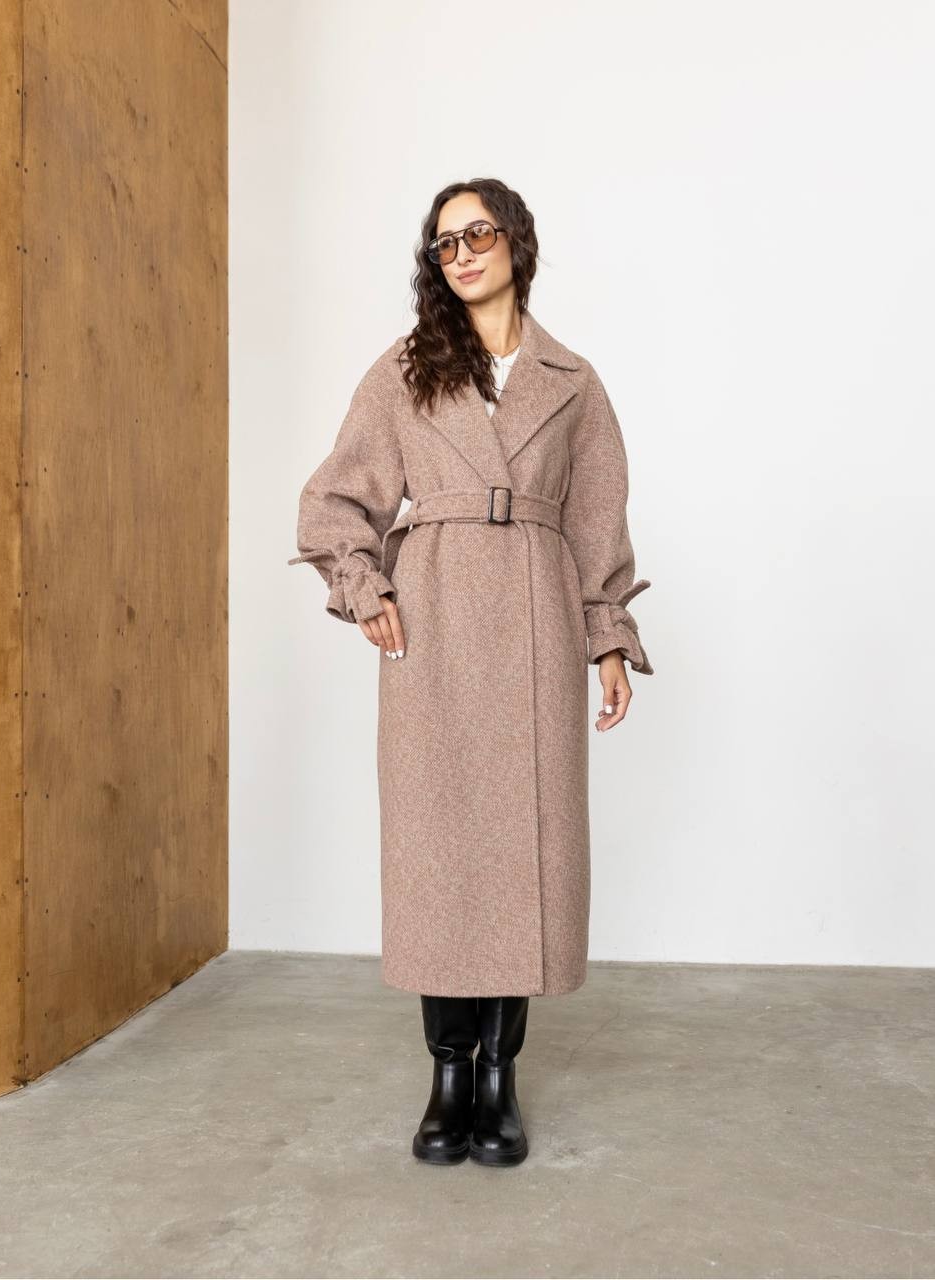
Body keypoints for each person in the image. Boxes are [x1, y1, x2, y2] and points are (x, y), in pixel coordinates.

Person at [288, 177, 654, 1167]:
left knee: (525, 847)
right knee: (439, 846)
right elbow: (334, 501)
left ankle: (500, 1076)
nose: (462, 255)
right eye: (444, 244)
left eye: (478, 233)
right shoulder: (406, 370)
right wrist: (365, 585)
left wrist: (607, 639)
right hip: (437, 624)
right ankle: (448, 1075)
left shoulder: (573, 380)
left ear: (517, 242)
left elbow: (598, 522)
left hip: (536, 620)